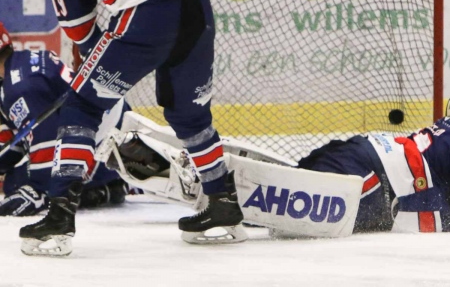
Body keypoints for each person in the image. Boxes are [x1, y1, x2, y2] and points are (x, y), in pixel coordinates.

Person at [19, 0, 243, 256]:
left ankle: (58, 216)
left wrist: (91, 60)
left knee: (82, 107)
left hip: (145, 14)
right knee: (189, 115)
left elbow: (77, 21)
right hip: (197, 10)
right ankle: (223, 203)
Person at [103, 113, 450, 236]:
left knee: (276, 192)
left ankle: (185, 165)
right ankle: (172, 168)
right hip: (369, 181)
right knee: (265, 207)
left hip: (366, 162)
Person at [0, 22, 129, 217]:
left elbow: (46, 137)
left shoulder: (21, 87)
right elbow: (20, 136)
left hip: (105, 139)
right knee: (14, 180)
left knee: (17, 183)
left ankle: (109, 182)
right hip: (105, 123)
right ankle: (106, 183)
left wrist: (39, 190)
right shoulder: (18, 67)